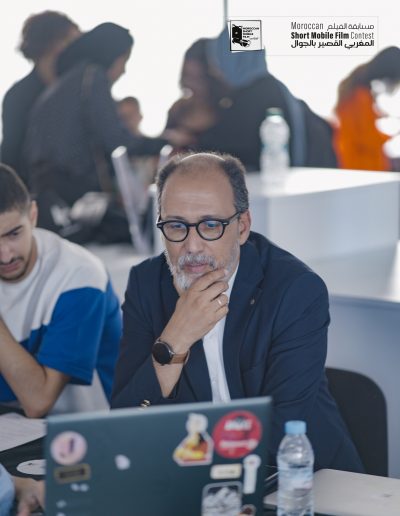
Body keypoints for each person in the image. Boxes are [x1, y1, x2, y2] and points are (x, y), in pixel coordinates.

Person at [111, 151, 364, 472]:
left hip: (302, 478)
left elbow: (281, 433)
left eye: (211, 225)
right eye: (176, 226)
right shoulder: (146, 284)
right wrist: (176, 339)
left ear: (242, 227)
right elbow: (126, 424)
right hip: (191, 480)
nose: (192, 246)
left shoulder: (294, 290)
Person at [22, 22, 166, 242]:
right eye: (124, 61)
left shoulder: (60, 85)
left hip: (49, 191)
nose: (123, 70)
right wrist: (162, 142)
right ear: (111, 55)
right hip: (75, 191)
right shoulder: (92, 77)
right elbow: (116, 140)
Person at [0, 163, 121, 417]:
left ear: (33, 216)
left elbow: (38, 402)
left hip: (86, 431)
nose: (5, 255)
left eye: (13, 234)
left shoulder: (79, 276)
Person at [165, 29, 337, 171]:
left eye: (220, 60)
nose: (216, 70)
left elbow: (229, 145)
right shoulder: (272, 87)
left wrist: (190, 140)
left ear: (233, 60)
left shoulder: (252, 96)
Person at [1, 11, 80, 180]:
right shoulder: (18, 96)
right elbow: (11, 154)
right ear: (54, 43)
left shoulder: (76, 90)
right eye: (71, 41)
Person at [334, 46, 400, 171]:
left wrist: (380, 115)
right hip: (361, 167)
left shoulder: (357, 92)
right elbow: (368, 140)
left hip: (358, 167)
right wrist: (393, 134)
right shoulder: (360, 97)